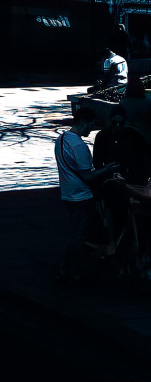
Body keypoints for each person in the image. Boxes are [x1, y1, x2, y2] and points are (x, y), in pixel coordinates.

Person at [55, 109, 118, 283]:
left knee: (78, 232)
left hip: (67, 194)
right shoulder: (79, 146)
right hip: (81, 196)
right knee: (79, 236)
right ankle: (69, 270)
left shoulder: (61, 139)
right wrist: (106, 169)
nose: (91, 129)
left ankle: (68, 268)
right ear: (84, 121)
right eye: (91, 124)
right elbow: (87, 176)